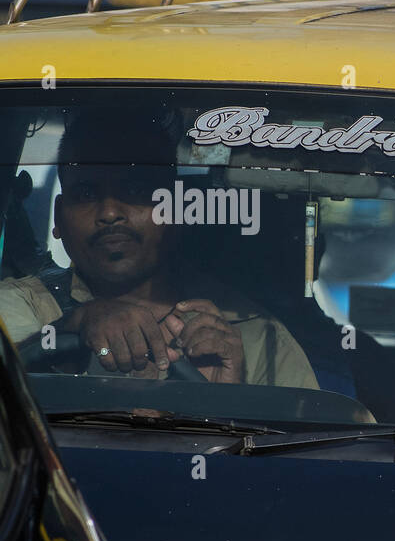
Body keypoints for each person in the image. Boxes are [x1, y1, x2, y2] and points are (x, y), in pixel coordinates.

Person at [0, 110, 318, 388]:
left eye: (136, 189)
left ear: (178, 210)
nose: (110, 213)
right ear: (58, 217)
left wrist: (227, 402)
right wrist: (67, 330)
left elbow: (311, 450)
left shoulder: (257, 339)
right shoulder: (15, 310)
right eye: (85, 193)